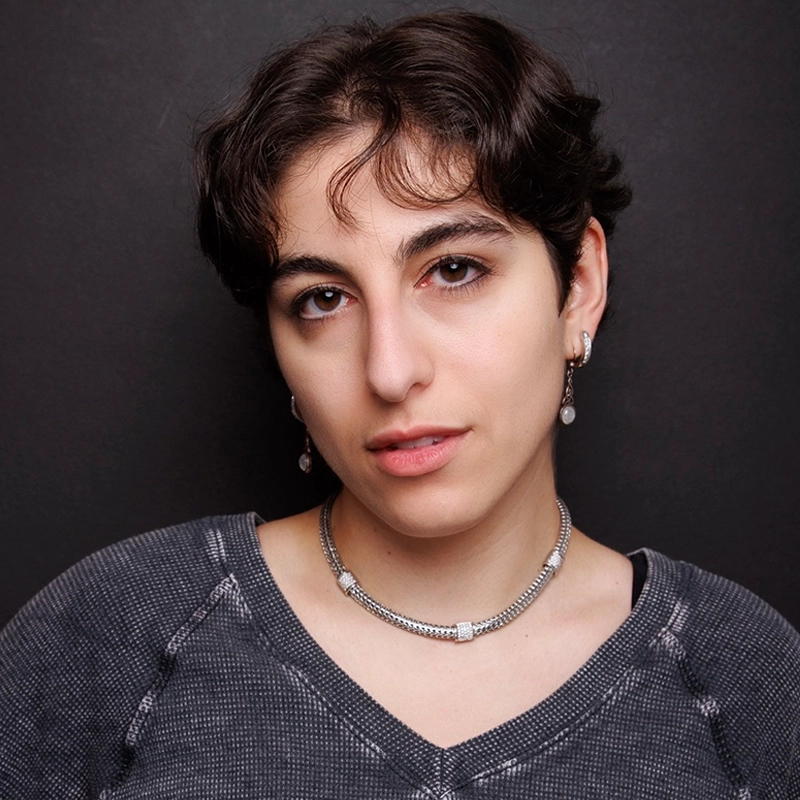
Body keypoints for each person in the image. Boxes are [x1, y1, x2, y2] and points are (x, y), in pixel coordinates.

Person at [1, 10, 798, 798]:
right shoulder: (119, 637)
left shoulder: (740, 677)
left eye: (453, 270)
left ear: (579, 286)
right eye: (323, 298)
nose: (389, 371)